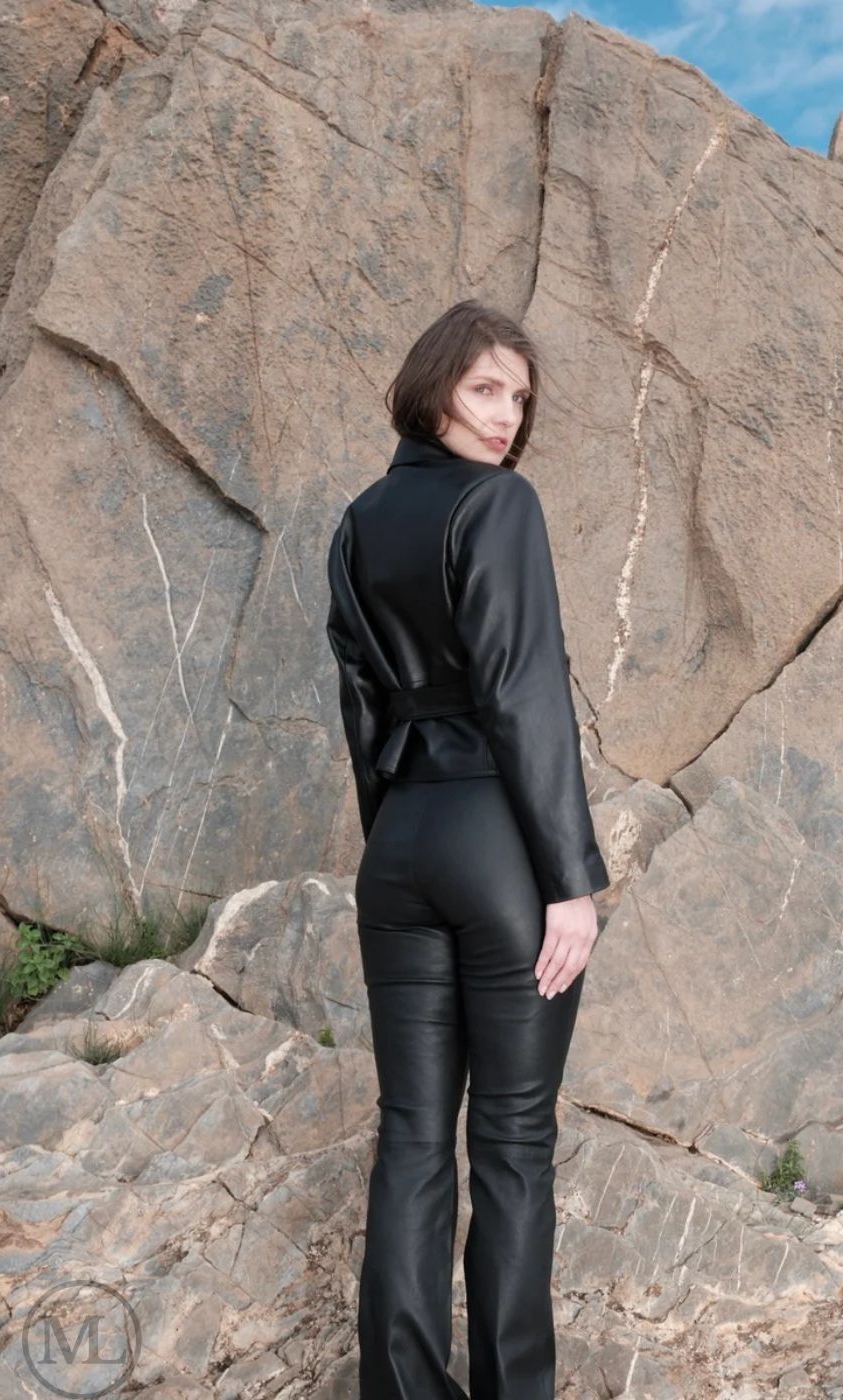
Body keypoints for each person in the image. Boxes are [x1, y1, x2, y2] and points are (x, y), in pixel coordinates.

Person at [326, 298, 610, 1400]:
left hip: (399, 843)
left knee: (410, 1136)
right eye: (487, 387)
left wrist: (393, 842)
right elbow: (523, 691)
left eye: (521, 398)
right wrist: (569, 881)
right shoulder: (498, 506)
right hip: (500, 844)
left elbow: (362, 712)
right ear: (436, 381)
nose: (506, 416)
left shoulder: (355, 521)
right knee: (511, 1142)